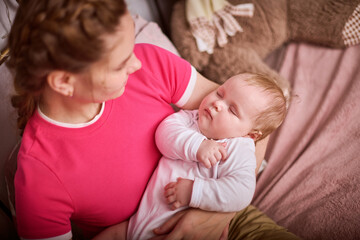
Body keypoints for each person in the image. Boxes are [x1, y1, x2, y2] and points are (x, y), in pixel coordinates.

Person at [7, 0, 298, 239]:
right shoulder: (40, 179)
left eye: (131, 47)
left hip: (226, 214)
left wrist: (213, 216)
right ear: (64, 82)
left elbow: (254, 122)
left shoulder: (149, 63)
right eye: (121, 63)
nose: (136, 62)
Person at [123, 73, 287, 240]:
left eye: (232, 110)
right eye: (219, 93)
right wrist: (197, 145)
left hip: (178, 230)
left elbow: (242, 191)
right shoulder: (192, 117)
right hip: (136, 223)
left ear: (251, 135)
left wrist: (194, 191)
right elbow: (164, 134)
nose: (217, 104)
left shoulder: (239, 148)